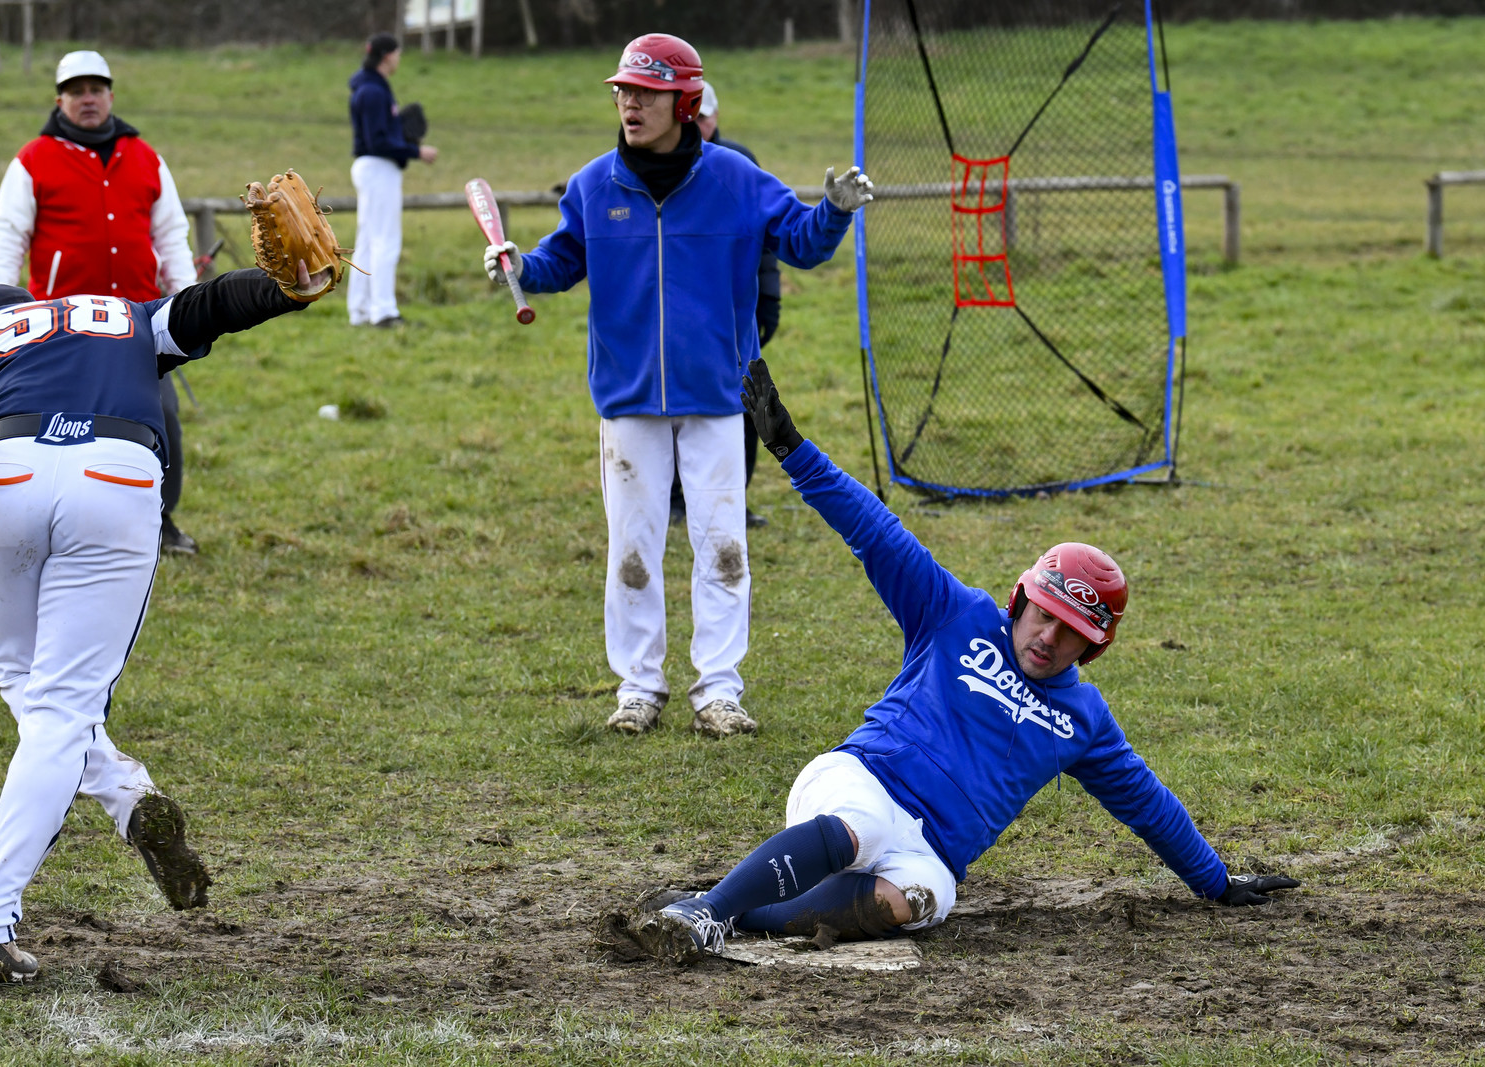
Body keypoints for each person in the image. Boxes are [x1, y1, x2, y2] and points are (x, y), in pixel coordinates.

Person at [626, 361, 1302, 961]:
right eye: (1042, 614)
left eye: (1069, 633)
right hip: (858, 783)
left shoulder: (1083, 720)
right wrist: (790, 448)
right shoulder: (956, 612)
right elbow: (876, 532)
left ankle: (732, 910)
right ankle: (703, 912)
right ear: (1020, 599)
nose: (1046, 637)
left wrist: (1215, 881)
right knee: (857, 828)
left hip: (928, 849)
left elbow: (1149, 805)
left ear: (1094, 647)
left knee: (921, 901)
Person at [0, 261, 322, 984]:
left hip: (11, 475)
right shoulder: (115, 314)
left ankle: (119, 804)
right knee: (56, 702)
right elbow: (207, 306)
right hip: (113, 475)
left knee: (27, 684)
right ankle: (7, 906)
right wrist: (284, 288)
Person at [481, 34, 874, 739]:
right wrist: (516, 263)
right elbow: (557, 264)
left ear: (684, 102)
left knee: (724, 545)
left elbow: (803, 244)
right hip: (628, 398)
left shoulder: (737, 179)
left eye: (645, 92)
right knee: (632, 547)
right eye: (623, 91)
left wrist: (835, 210)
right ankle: (639, 687)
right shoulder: (594, 184)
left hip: (720, 395)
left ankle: (719, 690)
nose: (628, 103)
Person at [0, 50, 203, 556]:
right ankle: (52, 523)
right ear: (60, 99)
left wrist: (188, 299)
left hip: (140, 318)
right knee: (55, 427)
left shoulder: (146, 158)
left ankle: (159, 520)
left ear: (110, 96)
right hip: (59, 322)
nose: (87, 99)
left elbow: (170, 233)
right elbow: (7, 237)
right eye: (76, 90)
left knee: (159, 418)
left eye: (96, 89)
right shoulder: (33, 159)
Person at [667, 81, 781, 530]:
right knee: (679, 407)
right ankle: (676, 498)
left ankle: (734, 497)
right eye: (691, 119)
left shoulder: (738, 165)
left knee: (747, 402)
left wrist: (768, 301)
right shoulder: (660, 168)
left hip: (736, 317)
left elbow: (766, 239)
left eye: (704, 118)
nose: (698, 126)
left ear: (713, 118)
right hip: (682, 318)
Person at [347, 33, 439, 328]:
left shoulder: (369, 87)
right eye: (397, 53)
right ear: (387, 55)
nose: (399, 58)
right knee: (385, 241)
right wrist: (415, 150)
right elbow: (378, 141)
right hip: (378, 168)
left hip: (372, 168)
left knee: (367, 242)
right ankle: (384, 312)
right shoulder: (374, 92)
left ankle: (360, 310)